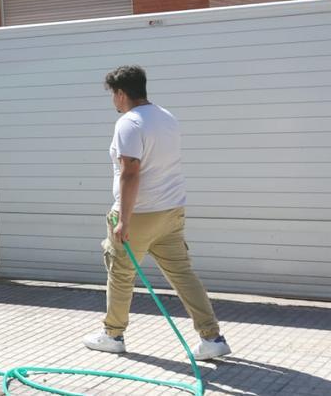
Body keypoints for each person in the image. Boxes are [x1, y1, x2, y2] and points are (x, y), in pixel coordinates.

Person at [83, 65, 231, 361]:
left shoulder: (130, 123)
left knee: (121, 273)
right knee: (183, 274)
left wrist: (123, 219)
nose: (114, 100)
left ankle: (113, 335)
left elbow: (130, 173)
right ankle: (212, 337)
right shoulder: (166, 117)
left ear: (121, 93)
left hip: (139, 214)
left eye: (113, 94)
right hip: (171, 211)